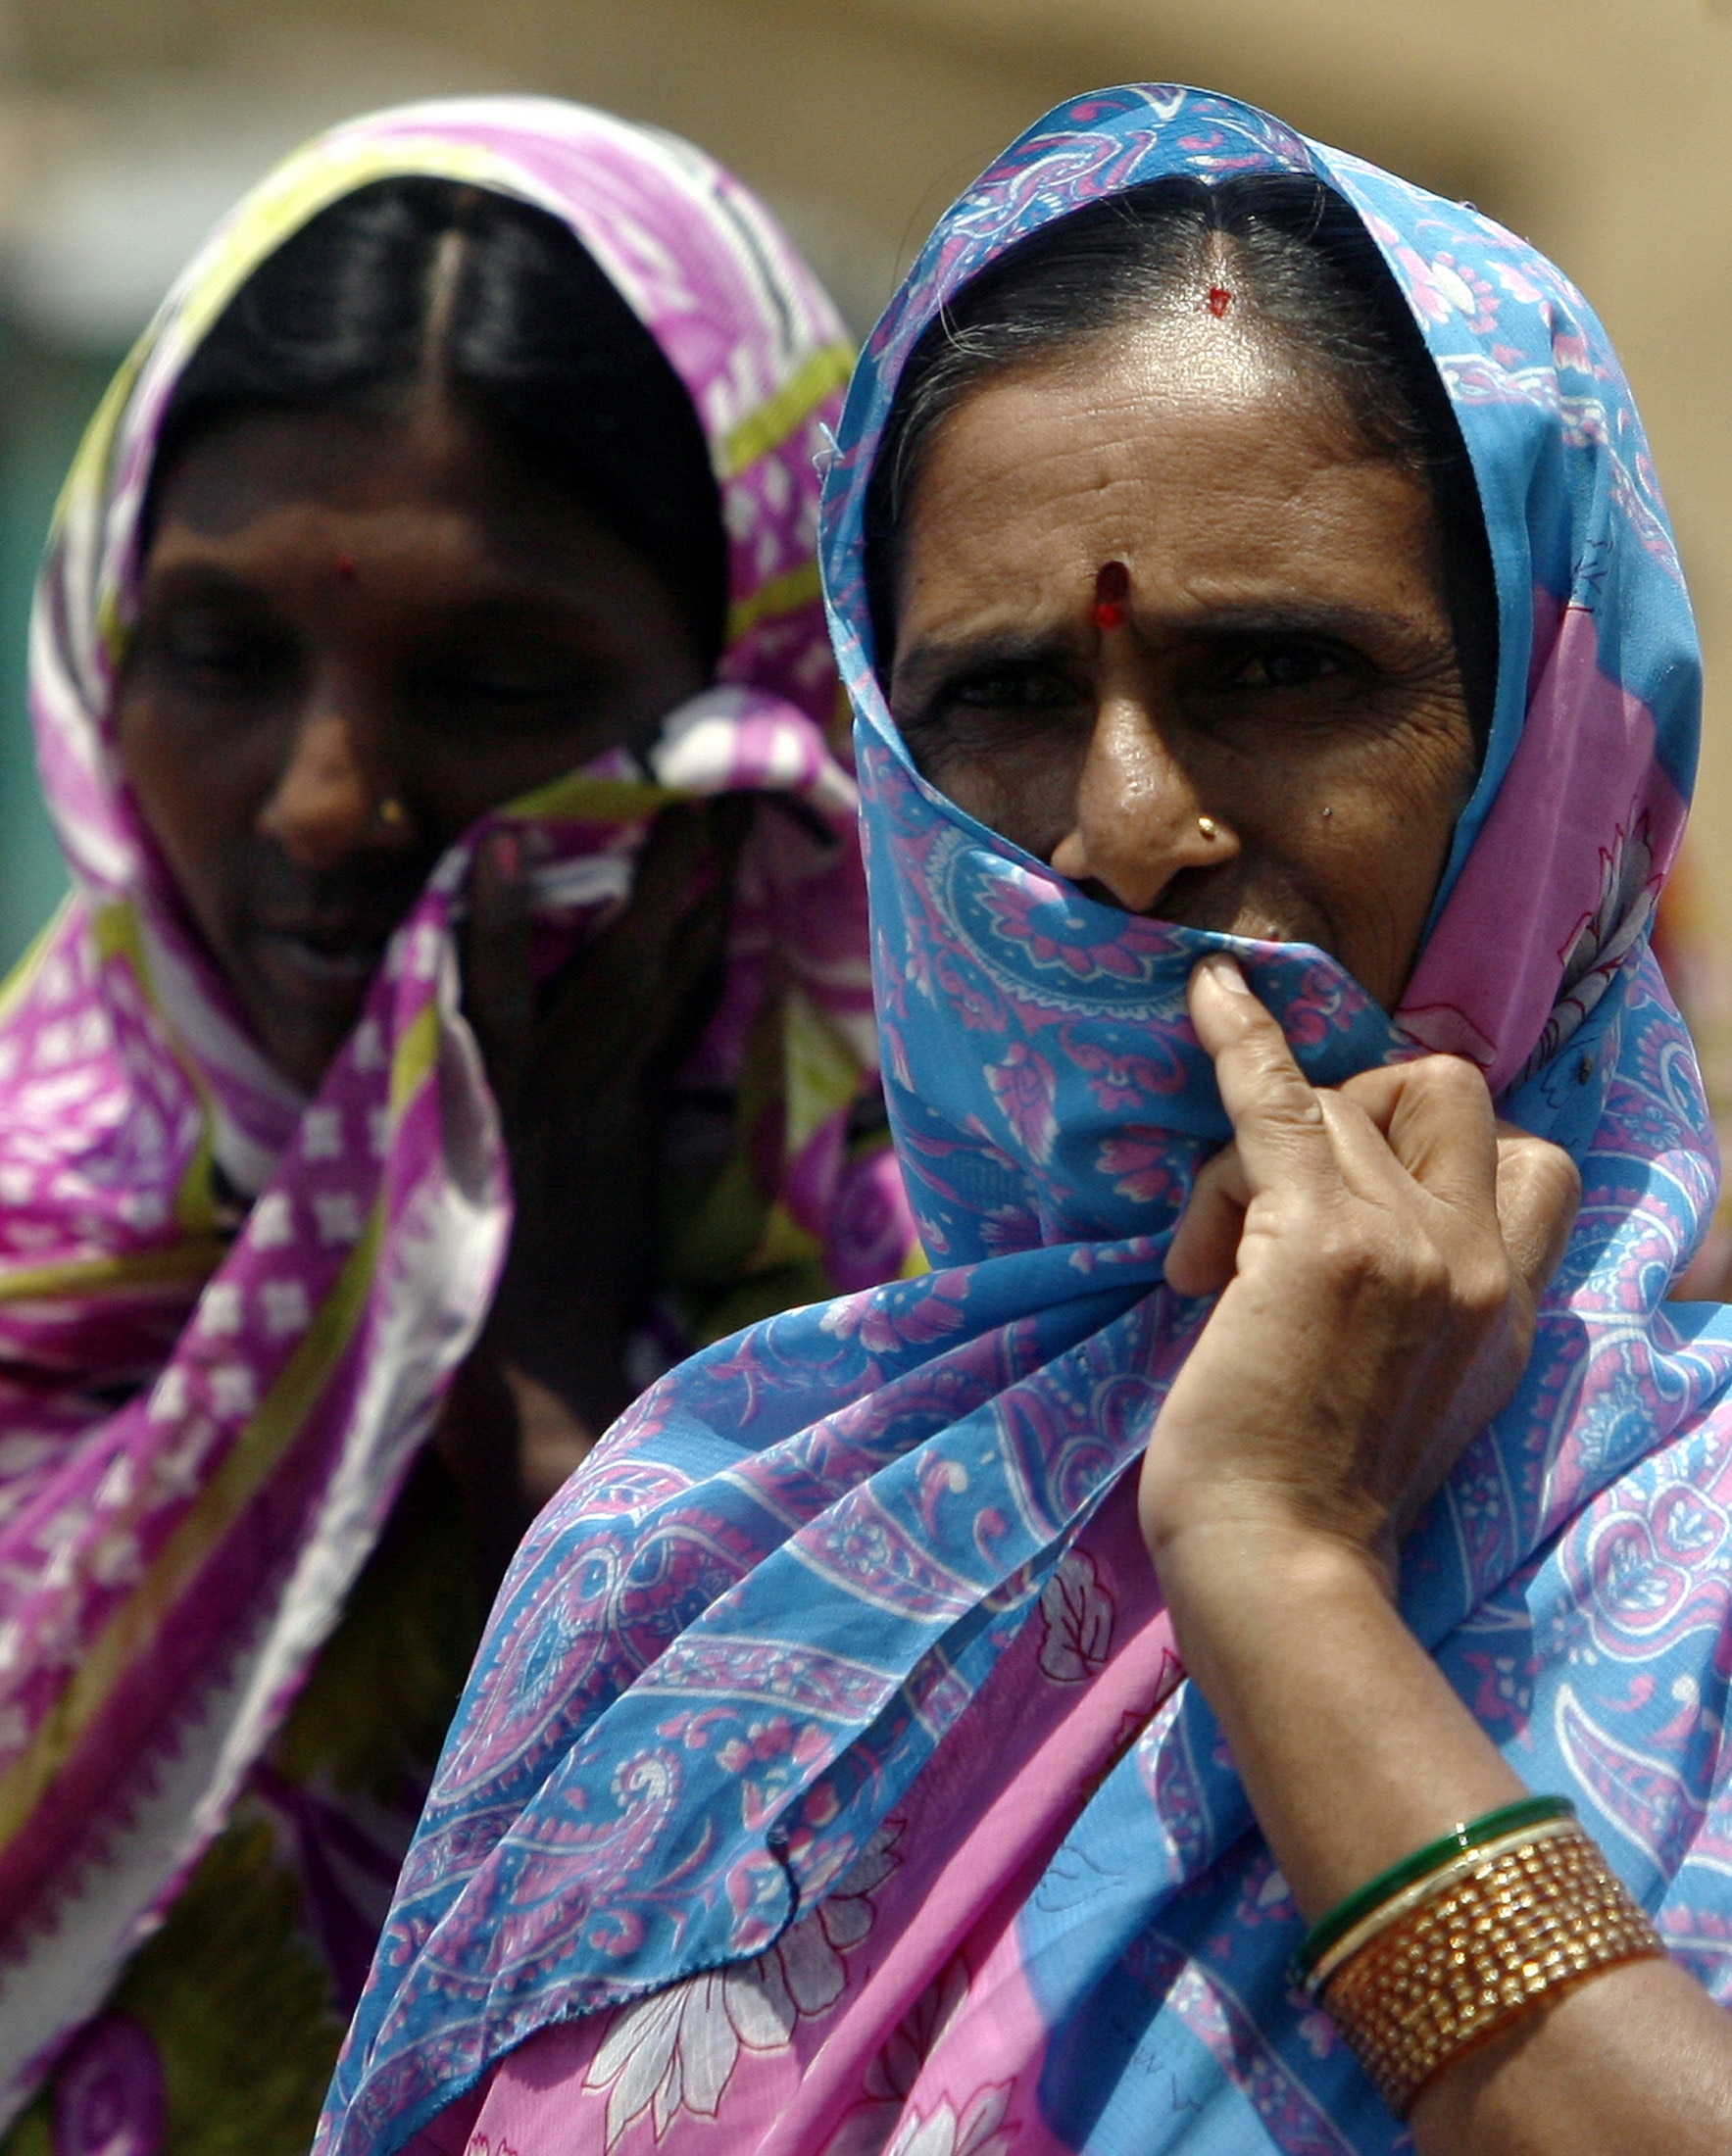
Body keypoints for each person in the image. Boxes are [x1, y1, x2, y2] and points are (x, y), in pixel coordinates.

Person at [319, 86, 1732, 2156]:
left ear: (1552, 732)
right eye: (996, 696)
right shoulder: (700, 1543)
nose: (1129, 823)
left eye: (1274, 666)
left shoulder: (1684, 1545)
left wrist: (1283, 1574)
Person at [0, 96, 915, 2156]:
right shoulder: (35, 1254)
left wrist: (567, 1432)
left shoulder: (953, 1365)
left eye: (497, 680)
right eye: (225, 652)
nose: (327, 806)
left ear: (757, 678)